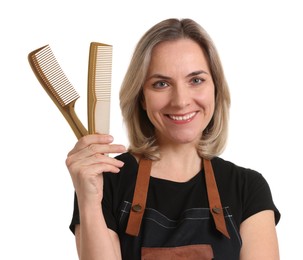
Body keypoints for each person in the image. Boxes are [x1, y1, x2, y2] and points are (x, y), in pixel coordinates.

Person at [66, 18, 280, 260]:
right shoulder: (106, 184)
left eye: (196, 80)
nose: (180, 100)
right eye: (161, 83)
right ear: (142, 98)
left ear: (215, 88)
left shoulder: (247, 188)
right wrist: (90, 201)